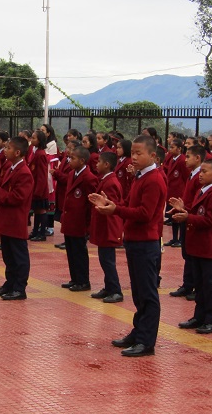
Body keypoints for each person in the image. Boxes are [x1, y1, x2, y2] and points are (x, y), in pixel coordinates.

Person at [90, 135, 167, 357]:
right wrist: (113, 204)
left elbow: (145, 214)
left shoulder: (153, 179)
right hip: (135, 240)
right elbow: (132, 205)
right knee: (138, 292)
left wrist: (116, 210)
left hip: (146, 242)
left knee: (147, 293)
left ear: (153, 155)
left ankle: (146, 341)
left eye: (138, 153)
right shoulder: (141, 177)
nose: (133, 157)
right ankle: (138, 332)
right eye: (132, 152)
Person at [171, 159, 212, 334]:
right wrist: (184, 208)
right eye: (200, 171)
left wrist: (187, 217)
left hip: (208, 247)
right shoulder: (202, 191)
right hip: (197, 246)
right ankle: (199, 316)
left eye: (205, 171)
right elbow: (196, 213)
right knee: (200, 284)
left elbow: (211, 221)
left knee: (209, 285)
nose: (200, 174)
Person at [0, 136, 34, 300]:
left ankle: (20, 288)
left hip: (15, 220)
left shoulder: (24, 172)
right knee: (8, 255)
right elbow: (4, 188)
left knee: (19, 256)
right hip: (7, 219)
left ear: (18, 152)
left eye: (8, 148)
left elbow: (17, 197)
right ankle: (10, 283)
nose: (5, 150)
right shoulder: (11, 167)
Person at [60, 146, 98, 292]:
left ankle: (83, 281)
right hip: (70, 220)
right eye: (69, 157)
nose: (69, 160)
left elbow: (91, 204)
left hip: (80, 222)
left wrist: (88, 225)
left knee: (79, 252)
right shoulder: (71, 174)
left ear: (82, 160)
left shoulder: (89, 178)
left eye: (73, 158)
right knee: (71, 251)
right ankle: (74, 278)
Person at [170, 144, 206, 298]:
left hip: (192, 217)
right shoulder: (192, 174)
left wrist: (186, 209)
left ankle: (195, 287)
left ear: (198, 158)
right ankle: (188, 285)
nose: (185, 159)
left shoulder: (200, 177)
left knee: (193, 254)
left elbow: (199, 202)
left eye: (189, 156)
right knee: (187, 252)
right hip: (186, 215)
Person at [89, 151, 125, 303]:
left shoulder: (110, 182)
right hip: (105, 225)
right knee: (104, 259)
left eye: (99, 162)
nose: (96, 164)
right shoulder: (106, 180)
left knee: (108, 260)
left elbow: (113, 205)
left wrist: (103, 203)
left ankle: (115, 290)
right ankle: (109, 287)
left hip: (109, 226)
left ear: (106, 164)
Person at [51, 139, 78, 250]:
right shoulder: (66, 160)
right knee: (63, 216)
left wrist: (57, 173)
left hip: (67, 191)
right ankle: (66, 240)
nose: (68, 150)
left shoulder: (74, 163)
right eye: (68, 148)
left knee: (68, 217)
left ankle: (69, 241)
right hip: (61, 190)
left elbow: (68, 178)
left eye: (71, 149)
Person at [163, 138, 188, 248]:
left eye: (173, 147)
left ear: (179, 149)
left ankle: (180, 239)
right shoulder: (172, 159)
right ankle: (174, 238)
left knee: (179, 216)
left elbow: (186, 177)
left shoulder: (182, 160)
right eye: (170, 147)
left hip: (179, 192)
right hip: (171, 191)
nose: (170, 149)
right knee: (173, 217)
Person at [28, 130, 50, 241]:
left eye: (34, 138)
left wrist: (38, 190)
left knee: (41, 210)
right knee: (36, 210)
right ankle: (35, 231)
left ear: (40, 140)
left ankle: (42, 233)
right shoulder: (34, 151)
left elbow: (42, 174)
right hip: (35, 186)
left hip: (39, 187)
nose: (31, 140)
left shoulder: (41, 154)